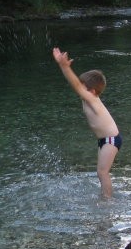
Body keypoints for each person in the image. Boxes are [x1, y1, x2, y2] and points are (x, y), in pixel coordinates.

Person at [52, 47, 121, 198]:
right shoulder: (89, 97)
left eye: (83, 87)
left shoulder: (92, 99)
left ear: (92, 91)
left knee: (103, 172)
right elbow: (76, 85)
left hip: (111, 139)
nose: (79, 90)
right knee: (101, 172)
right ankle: (105, 195)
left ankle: (107, 202)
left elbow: (76, 85)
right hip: (104, 140)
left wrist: (64, 66)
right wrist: (64, 68)